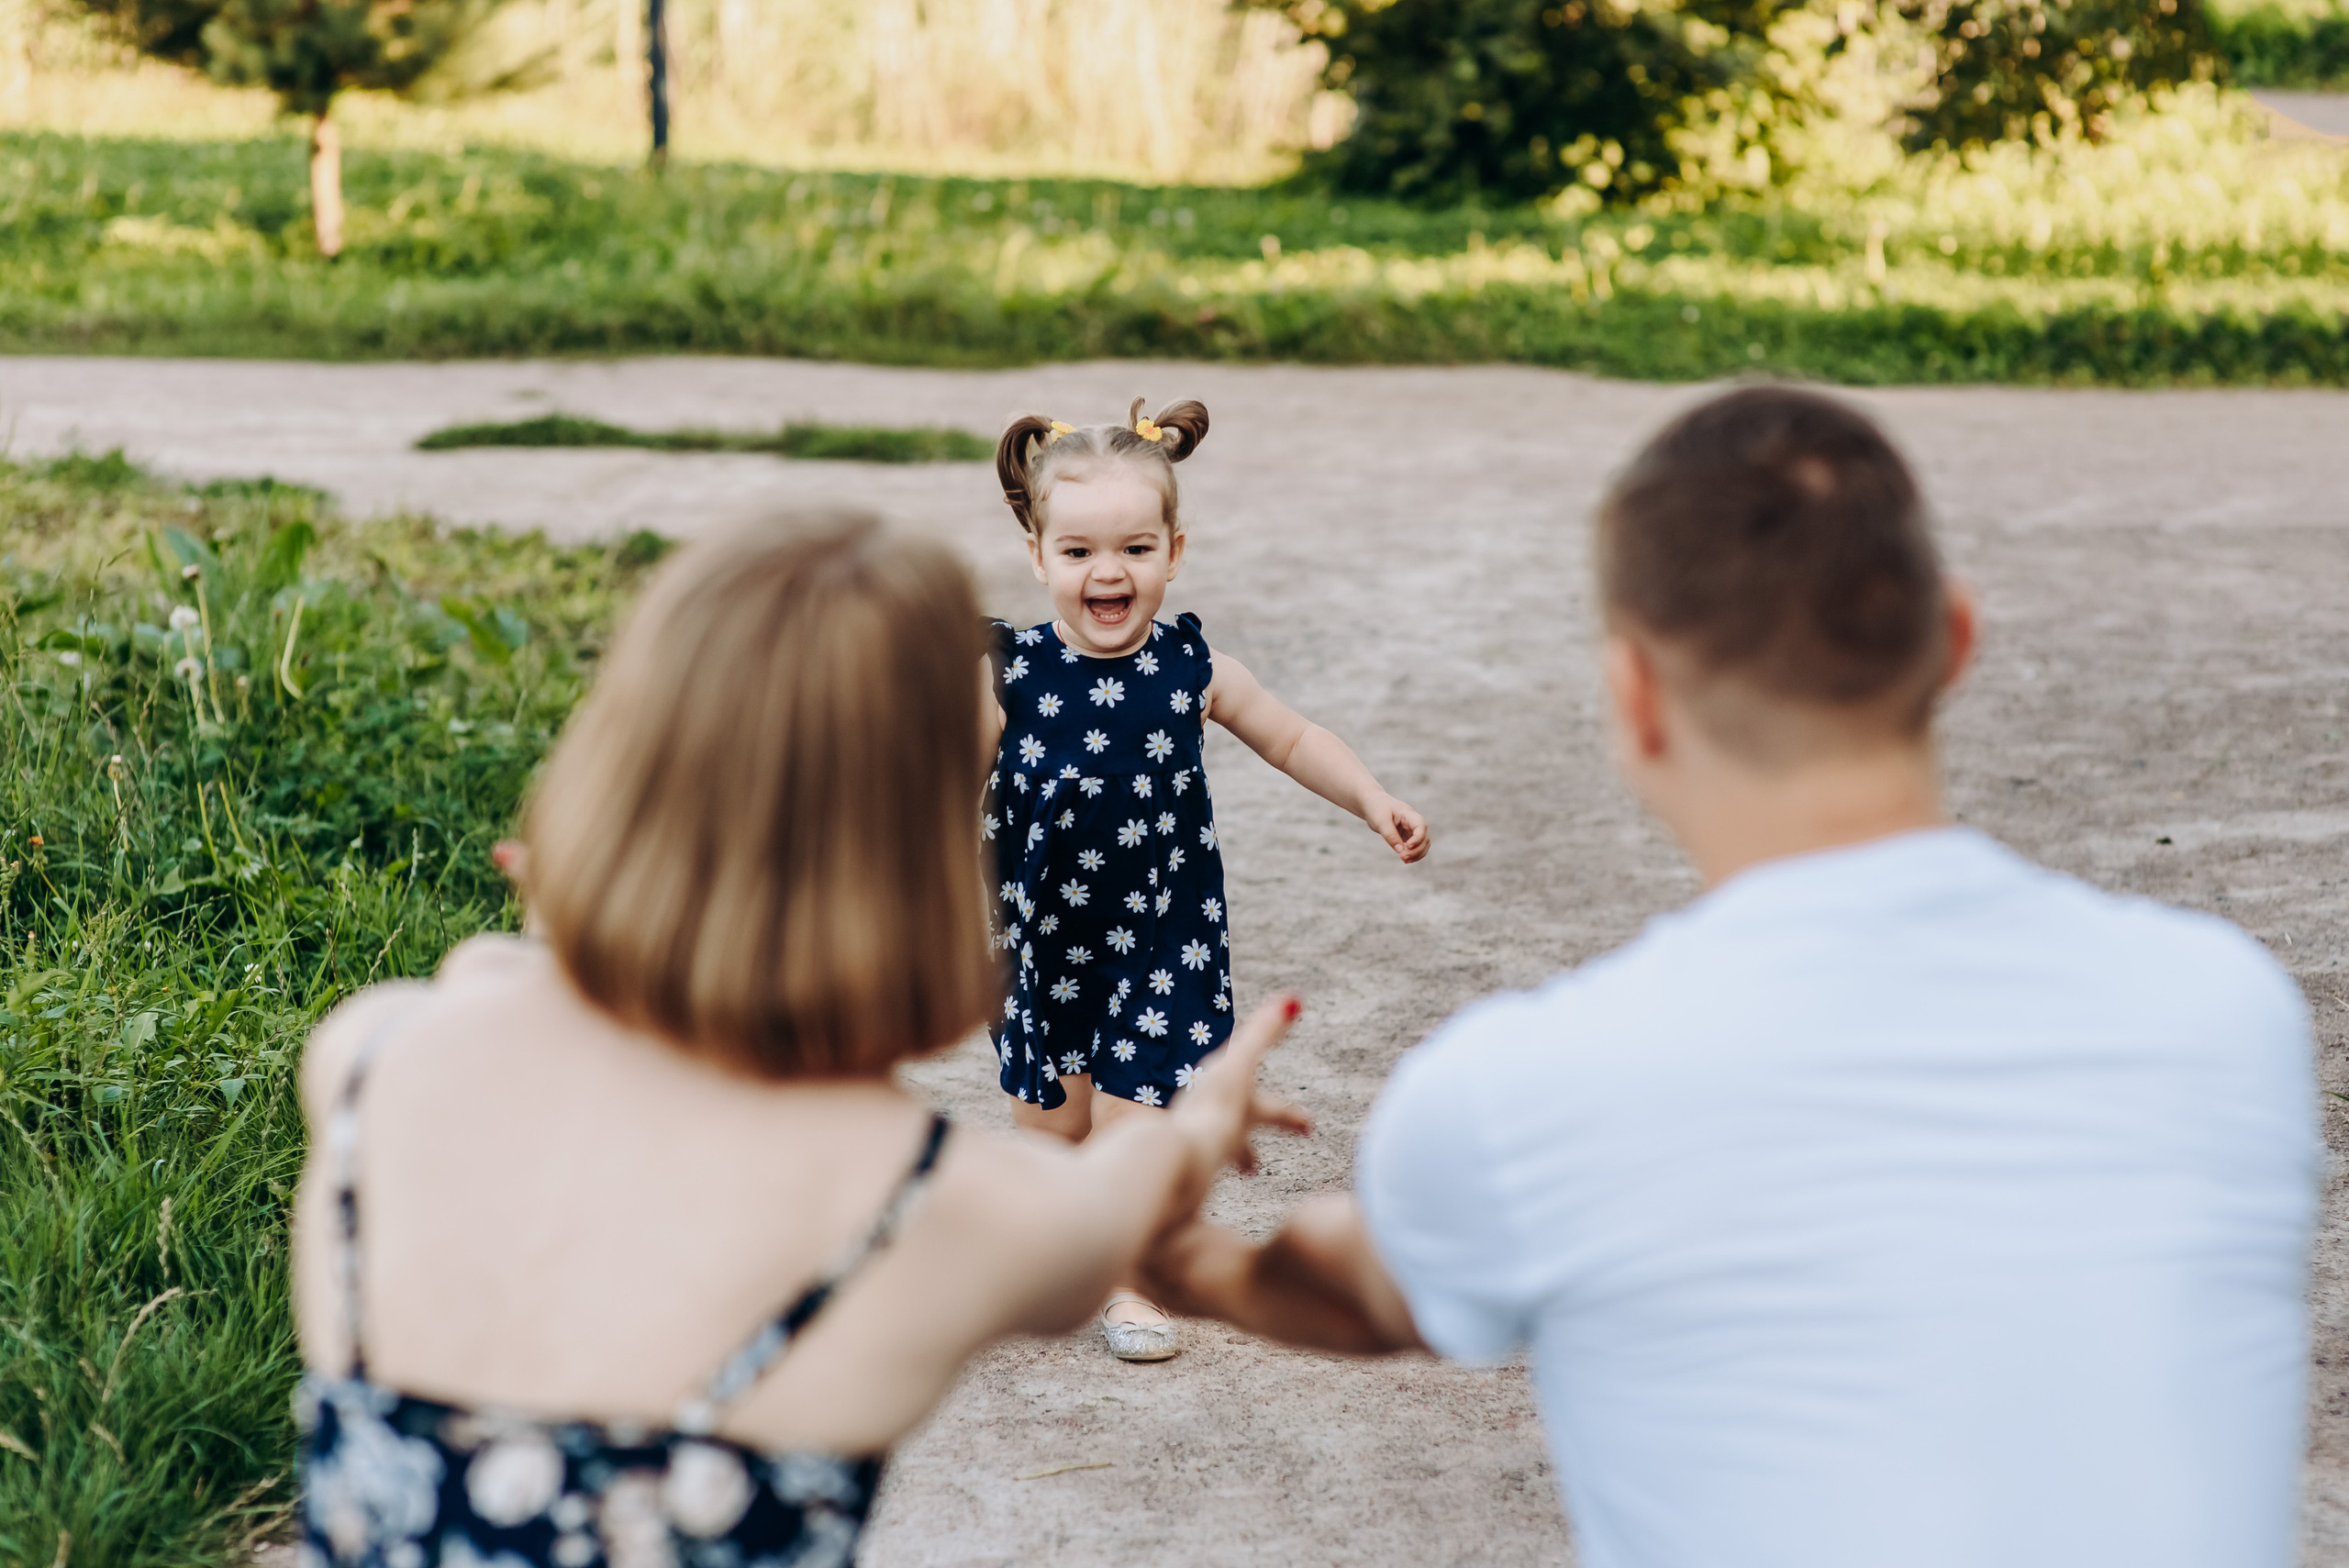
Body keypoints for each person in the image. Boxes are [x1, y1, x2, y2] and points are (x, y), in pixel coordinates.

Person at [1141, 386, 2319, 1567]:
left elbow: (1334, 1286)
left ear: (1633, 696)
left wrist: (1170, 1219)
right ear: (1952, 640)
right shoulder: (2230, 1011)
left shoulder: (1528, 1085)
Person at [289, 513, 1305, 1566]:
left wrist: (559, 927)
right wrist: (1200, 1119)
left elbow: (521, 1009)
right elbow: (1128, 1187)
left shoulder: (373, 1056)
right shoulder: (927, 1200)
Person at [983, 397, 1430, 1362]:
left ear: (1173, 552)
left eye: (1136, 549)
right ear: (1037, 556)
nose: (1110, 572)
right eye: (1079, 553)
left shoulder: (1191, 666)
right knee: (1050, 1122)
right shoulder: (1013, 678)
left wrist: (1368, 795)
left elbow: (1292, 735)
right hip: (1043, 943)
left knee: (1135, 1119)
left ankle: (1130, 1277)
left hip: (1158, 936)